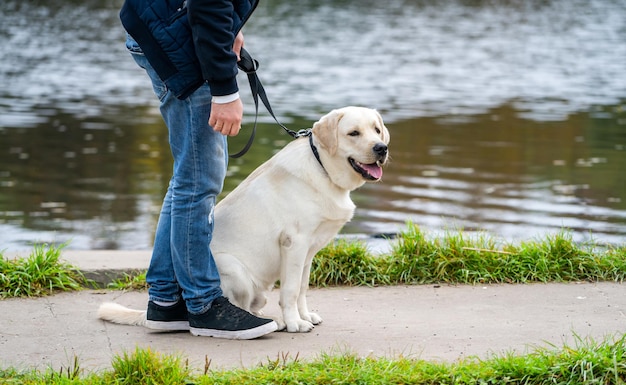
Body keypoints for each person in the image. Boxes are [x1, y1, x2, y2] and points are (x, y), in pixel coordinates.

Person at [119, 0, 277, 339]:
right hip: (178, 38)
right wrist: (224, 89)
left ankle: (166, 300)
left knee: (189, 177)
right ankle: (203, 305)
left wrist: (229, 29)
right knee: (198, 180)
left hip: (168, 27)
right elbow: (208, 5)